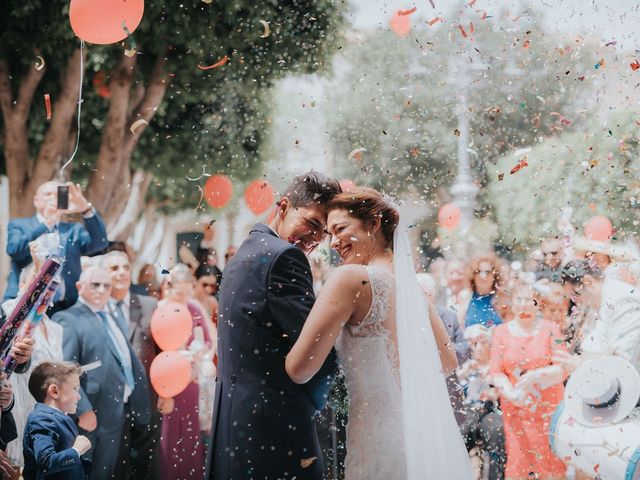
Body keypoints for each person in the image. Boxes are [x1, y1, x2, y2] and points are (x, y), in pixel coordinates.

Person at [285, 187, 472, 479]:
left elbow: (298, 369)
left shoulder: (349, 279)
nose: (333, 242)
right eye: (330, 233)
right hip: (419, 439)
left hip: (377, 440)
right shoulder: (413, 290)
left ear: (373, 224)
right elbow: (447, 362)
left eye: (340, 229)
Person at [206, 171, 342, 480]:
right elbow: (316, 347)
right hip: (274, 428)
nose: (316, 239)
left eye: (324, 232)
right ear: (282, 207)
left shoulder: (245, 252)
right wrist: (320, 401)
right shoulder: (284, 257)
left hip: (234, 423)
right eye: (311, 223)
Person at [51, 266, 150, 480]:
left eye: (106, 285)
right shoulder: (68, 319)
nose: (102, 289)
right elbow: (65, 367)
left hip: (116, 413)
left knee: (106, 473)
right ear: (79, 286)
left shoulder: (110, 316)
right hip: (90, 415)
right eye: (95, 284)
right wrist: (83, 409)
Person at [489, 281, 567, 480]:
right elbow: (496, 371)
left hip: (548, 412)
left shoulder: (551, 329)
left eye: (529, 299)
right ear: (513, 302)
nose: (523, 304)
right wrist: (510, 392)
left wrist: (537, 375)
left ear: (537, 303)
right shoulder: (501, 332)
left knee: (552, 467)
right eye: (519, 299)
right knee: (520, 466)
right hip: (517, 413)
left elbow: (564, 367)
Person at [101, 251, 160, 479]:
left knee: (145, 465)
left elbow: (164, 349)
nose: (122, 272)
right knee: (114, 465)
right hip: (109, 403)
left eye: (125, 267)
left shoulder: (150, 305)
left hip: (147, 399)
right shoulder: (98, 309)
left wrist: (166, 392)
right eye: (114, 268)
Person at [3, 249, 64, 468]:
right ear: (22, 286)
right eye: (37, 281)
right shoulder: (10, 313)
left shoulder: (55, 328)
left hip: (45, 410)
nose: (42, 289)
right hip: (16, 402)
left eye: (48, 284)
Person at [4, 181, 109, 309]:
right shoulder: (19, 225)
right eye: (48, 194)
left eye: (57, 194)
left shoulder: (73, 229)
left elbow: (100, 242)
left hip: (65, 306)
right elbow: (15, 251)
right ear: (36, 201)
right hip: (23, 303)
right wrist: (47, 223)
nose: (53, 198)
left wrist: (85, 209)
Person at [158, 265, 213, 480]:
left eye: (188, 292)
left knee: (191, 430)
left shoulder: (194, 308)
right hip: (170, 378)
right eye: (179, 292)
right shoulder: (161, 309)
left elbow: (208, 339)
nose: (184, 297)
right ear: (169, 288)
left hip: (191, 377)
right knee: (170, 432)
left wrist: (200, 350)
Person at [22, 361, 91, 480]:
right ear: (54, 391)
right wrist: (76, 451)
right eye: (75, 389)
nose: (79, 397)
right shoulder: (42, 419)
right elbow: (46, 462)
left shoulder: (57, 417)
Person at [456, 325, 505, 480]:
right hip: (469, 411)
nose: (478, 347)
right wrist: (464, 373)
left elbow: (503, 392)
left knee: (497, 432)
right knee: (461, 432)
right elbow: (453, 388)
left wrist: (493, 392)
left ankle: (495, 476)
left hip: (491, 412)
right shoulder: (468, 367)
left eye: (483, 342)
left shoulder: (497, 367)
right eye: (474, 343)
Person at [464, 254, 503, 329]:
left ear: (494, 275)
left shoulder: (502, 298)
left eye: (488, 272)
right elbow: (460, 332)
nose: (483, 276)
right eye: (478, 272)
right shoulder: (465, 297)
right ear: (473, 275)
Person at [445, 259, 472, 330]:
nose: (455, 278)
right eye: (451, 273)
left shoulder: (472, 297)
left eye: (459, 273)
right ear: (446, 275)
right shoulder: (444, 298)